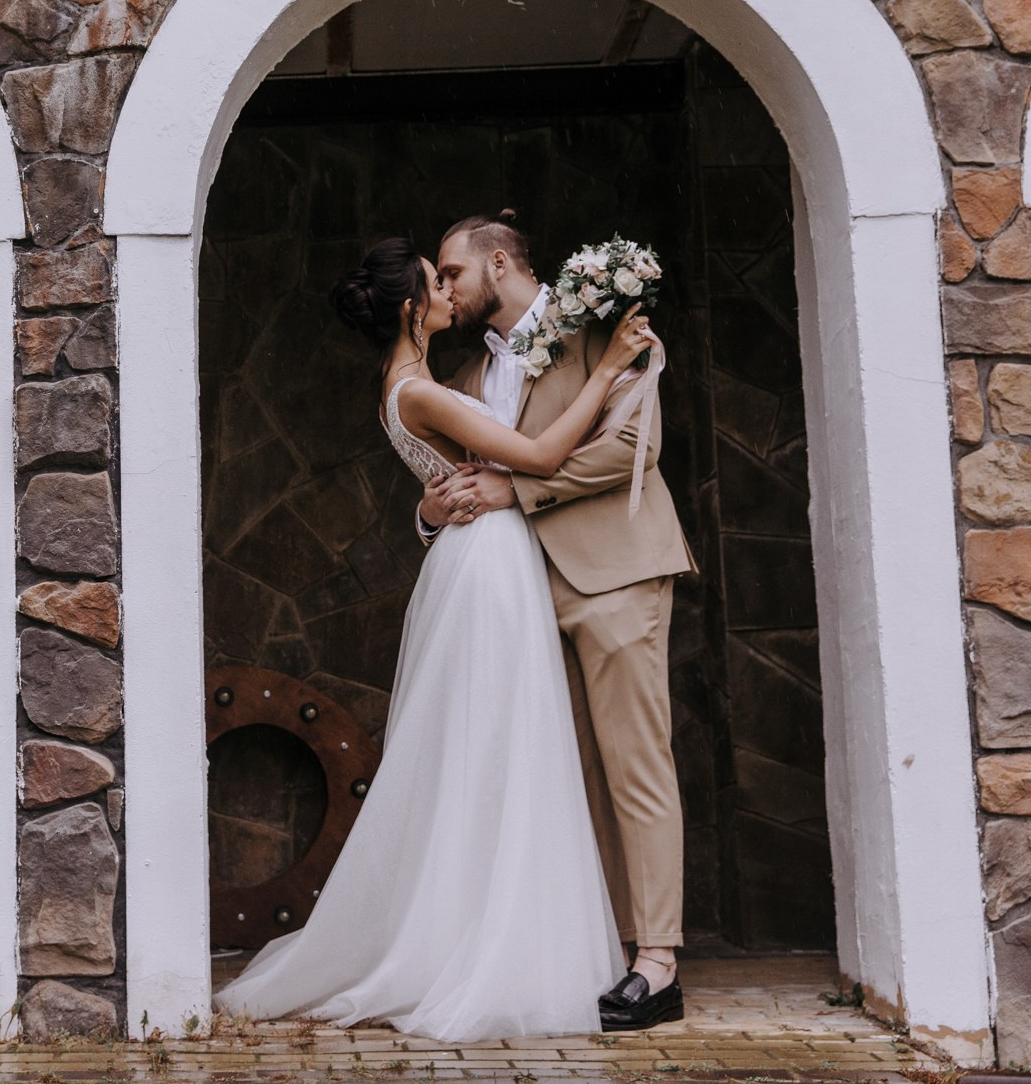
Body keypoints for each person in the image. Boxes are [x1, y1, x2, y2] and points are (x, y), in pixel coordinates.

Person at [214, 236, 659, 1042]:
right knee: (499, 748)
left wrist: (430, 506)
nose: (450, 291)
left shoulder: (417, 384)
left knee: (493, 751)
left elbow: (455, 474)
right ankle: (483, 947)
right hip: (489, 565)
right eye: (435, 283)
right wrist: (608, 370)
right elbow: (540, 453)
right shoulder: (420, 389)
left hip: (486, 558)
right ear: (411, 309)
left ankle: (495, 931)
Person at [418, 211, 694, 1031]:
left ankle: (659, 962)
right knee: (571, 777)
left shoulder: (599, 328)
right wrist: (433, 515)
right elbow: (462, 482)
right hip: (525, 594)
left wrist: (521, 489)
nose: (446, 288)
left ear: (500, 263)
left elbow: (634, 446)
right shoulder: (468, 375)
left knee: (636, 766)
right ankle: (611, 948)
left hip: (615, 573)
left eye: (453, 271)